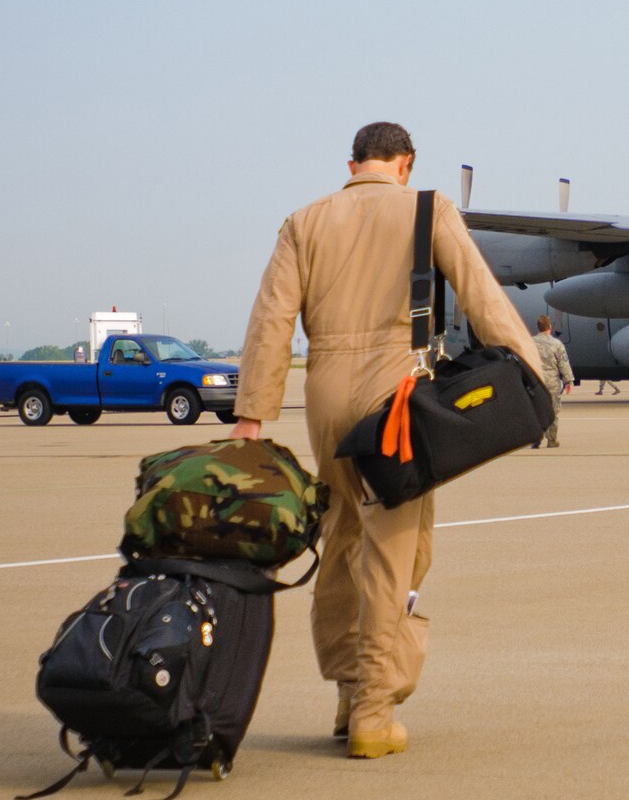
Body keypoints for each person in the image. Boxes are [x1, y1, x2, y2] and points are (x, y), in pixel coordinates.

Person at [233, 121, 544, 760]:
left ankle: (349, 695)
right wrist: (531, 371)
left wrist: (252, 415)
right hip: (394, 396)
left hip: (324, 393)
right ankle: (375, 710)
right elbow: (482, 297)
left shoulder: (303, 221)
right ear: (404, 162)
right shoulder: (429, 208)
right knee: (395, 548)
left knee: (341, 532)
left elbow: (271, 320)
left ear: (353, 163)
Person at [531, 316, 576, 447]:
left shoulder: (530, 342)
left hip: (536, 380)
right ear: (549, 327)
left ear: (538, 327)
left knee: (536, 410)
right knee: (553, 410)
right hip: (552, 382)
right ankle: (551, 439)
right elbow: (563, 363)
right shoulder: (556, 344)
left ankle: (536, 439)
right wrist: (569, 381)